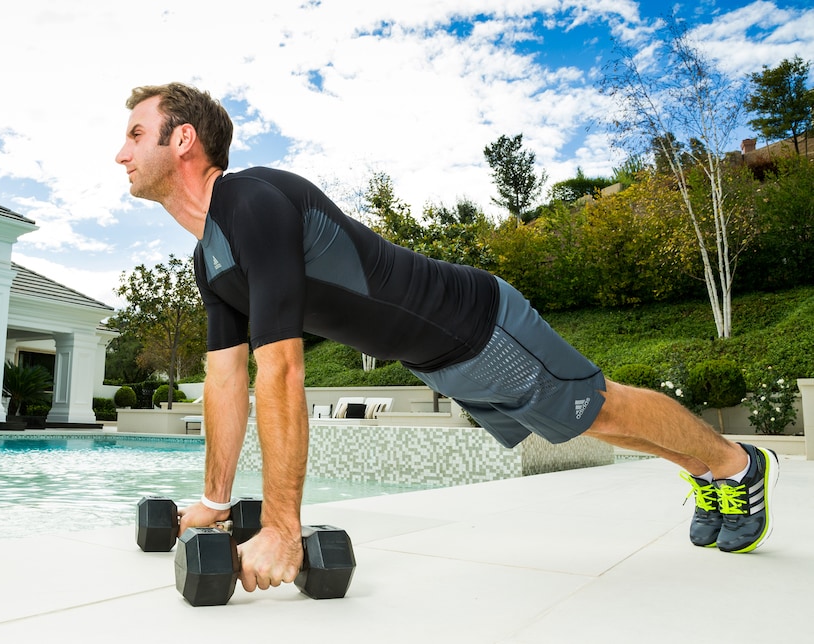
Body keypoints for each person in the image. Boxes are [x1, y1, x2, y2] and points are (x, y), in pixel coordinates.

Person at [115, 82, 779, 594]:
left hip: (476, 323)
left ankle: (736, 465)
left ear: (184, 141)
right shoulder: (211, 259)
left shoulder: (251, 201)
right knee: (577, 420)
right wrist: (213, 504)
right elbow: (228, 381)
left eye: (136, 134)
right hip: (442, 358)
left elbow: (281, 372)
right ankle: (704, 468)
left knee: (597, 403)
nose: (122, 152)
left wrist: (285, 528)